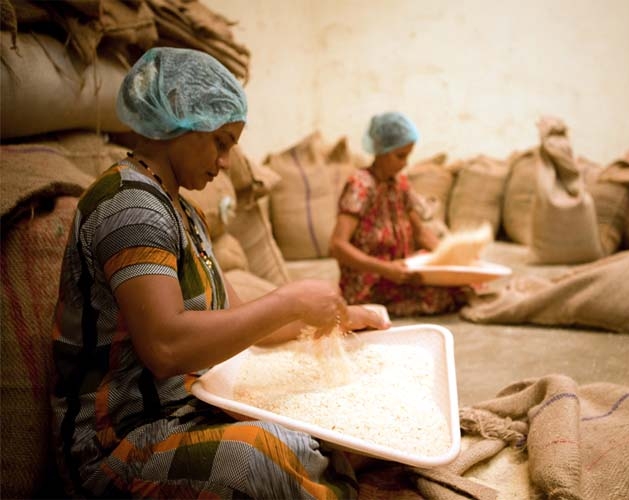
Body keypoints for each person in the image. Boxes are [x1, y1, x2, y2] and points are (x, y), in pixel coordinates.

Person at [50, 47, 388, 499]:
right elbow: (167, 347)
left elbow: (244, 320)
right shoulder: (129, 205)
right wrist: (288, 300)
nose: (227, 161)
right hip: (121, 442)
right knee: (264, 456)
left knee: (323, 429)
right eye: (221, 142)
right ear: (178, 123)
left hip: (187, 410)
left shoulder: (184, 213)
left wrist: (340, 317)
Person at [329, 111, 470, 317]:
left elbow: (420, 233)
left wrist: (450, 257)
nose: (405, 163)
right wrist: (385, 269)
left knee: (462, 285)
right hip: (371, 282)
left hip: (400, 272)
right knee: (442, 296)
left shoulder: (399, 184)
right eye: (400, 156)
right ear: (382, 152)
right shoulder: (360, 186)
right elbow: (338, 245)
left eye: (407, 156)